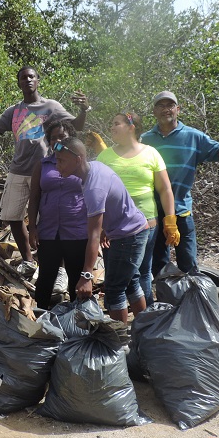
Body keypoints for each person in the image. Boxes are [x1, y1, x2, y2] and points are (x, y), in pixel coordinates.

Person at [0, 66, 89, 272]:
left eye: (31, 76)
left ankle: (54, 264)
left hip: (45, 169)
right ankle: (28, 260)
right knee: (12, 216)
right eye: (23, 77)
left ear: (38, 80)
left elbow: (76, 127)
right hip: (19, 169)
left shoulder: (51, 107)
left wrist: (83, 110)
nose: (28, 80)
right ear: (19, 83)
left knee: (50, 219)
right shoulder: (13, 111)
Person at [141, 90, 219, 276]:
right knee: (157, 266)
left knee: (188, 264)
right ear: (154, 111)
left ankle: (192, 302)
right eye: (161, 106)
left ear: (178, 109)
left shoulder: (193, 136)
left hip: (181, 210)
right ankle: (165, 303)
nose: (166, 110)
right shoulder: (145, 139)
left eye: (170, 105)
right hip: (153, 212)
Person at [54, 137, 150, 323]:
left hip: (129, 236)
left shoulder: (93, 187)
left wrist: (86, 276)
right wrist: (107, 227)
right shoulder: (94, 168)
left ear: (78, 159)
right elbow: (113, 201)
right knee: (130, 284)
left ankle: (119, 343)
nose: (57, 165)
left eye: (61, 161)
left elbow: (93, 236)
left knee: (114, 291)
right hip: (132, 229)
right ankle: (144, 331)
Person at [98, 112, 177, 305]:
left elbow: (165, 188)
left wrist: (170, 219)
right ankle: (121, 317)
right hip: (114, 227)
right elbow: (97, 192)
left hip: (146, 224)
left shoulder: (151, 153)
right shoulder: (105, 155)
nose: (112, 128)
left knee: (141, 272)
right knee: (115, 272)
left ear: (131, 127)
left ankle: (145, 319)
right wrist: (99, 225)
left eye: (116, 124)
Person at [27, 119, 87, 309]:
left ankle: (78, 322)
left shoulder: (81, 164)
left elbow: (94, 194)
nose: (56, 141)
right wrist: (32, 229)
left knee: (75, 277)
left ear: (71, 138)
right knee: (46, 277)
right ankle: (40, 320)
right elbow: (34, 196)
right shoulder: (43, 165)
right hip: (49, 230)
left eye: (62, 136)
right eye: (53, 138)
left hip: (77, 230)